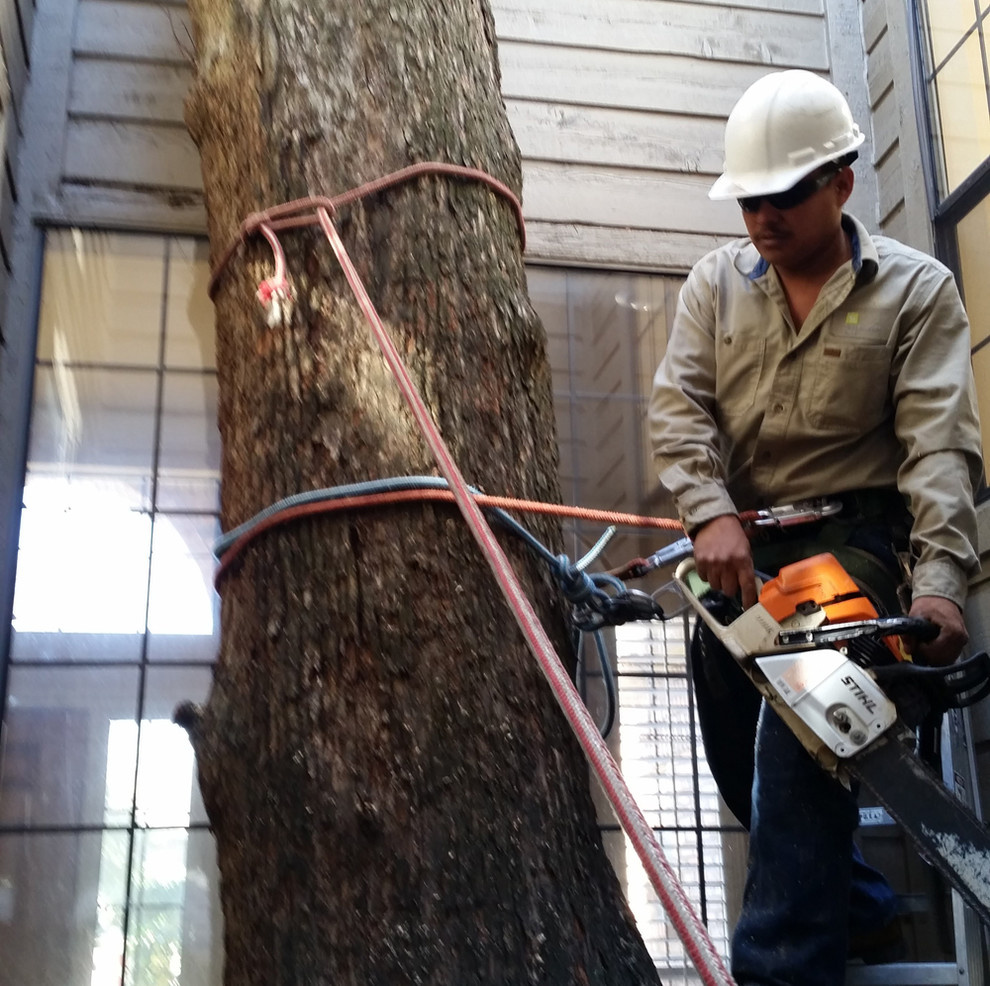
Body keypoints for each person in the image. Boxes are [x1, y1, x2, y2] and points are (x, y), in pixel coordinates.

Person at [649, 69, 984, 986]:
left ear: (841, 179)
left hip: (860, 546)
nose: (762, 219)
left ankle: (782, 967)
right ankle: (863, 906)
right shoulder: (714, 286)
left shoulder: (915, 294)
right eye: (749, 200)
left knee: (797, 722)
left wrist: (941, 586)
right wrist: (709, 510)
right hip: (743, 550)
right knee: (733, 746)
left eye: (785, 196)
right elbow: (679, 410)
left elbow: (939, 451)